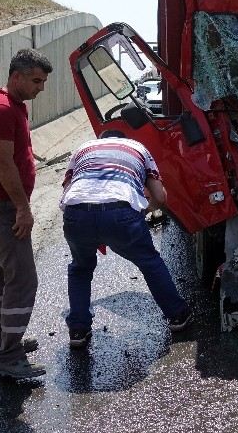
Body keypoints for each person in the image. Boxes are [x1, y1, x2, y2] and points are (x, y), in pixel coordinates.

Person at [61, 130, 191, 348]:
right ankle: (177, 315)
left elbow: (68, 191)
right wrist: (140, 212)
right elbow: (160, 197)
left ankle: (78, 330)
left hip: (77, 212)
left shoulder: (83, 149)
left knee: (80, 269)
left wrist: (91, 223)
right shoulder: (139, 149)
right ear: (123, 139)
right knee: (150, 262)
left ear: (101, 140)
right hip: (119, 211)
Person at [0, 48, 52, 379]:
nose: (40, 88)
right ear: (16, 77)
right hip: (2, 207)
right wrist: (22, 207)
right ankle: (9, 356)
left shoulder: (12, 108)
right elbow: (3, 164)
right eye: (36, 80)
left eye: (44, 81)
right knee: (22, 278)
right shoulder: (1, 109)